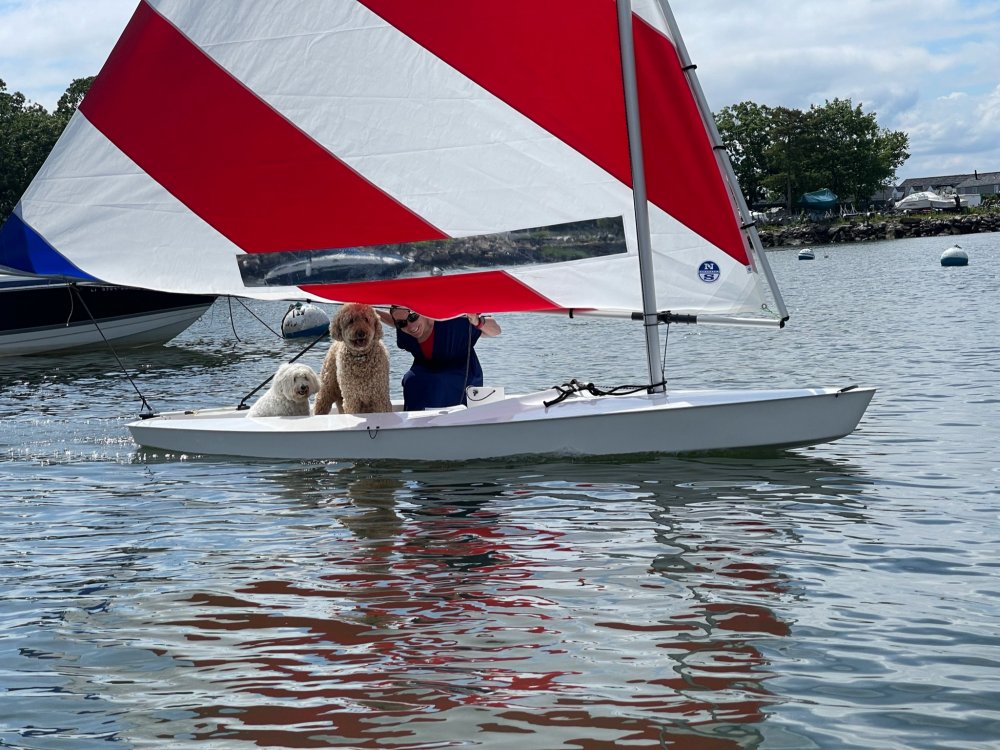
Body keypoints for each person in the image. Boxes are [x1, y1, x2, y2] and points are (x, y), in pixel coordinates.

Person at [377, 305, 501, 411]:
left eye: (413, 317)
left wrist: (477, 321)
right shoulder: (405, 328)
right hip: (425, 372)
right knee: (411, 380)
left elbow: (496, 330)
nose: (410, 326)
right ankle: (414, 427)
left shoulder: (452, 323)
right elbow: (397, 320)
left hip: (460, 375)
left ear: (423, 312)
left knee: (437, 382)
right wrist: (372, 310)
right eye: (401, 323)